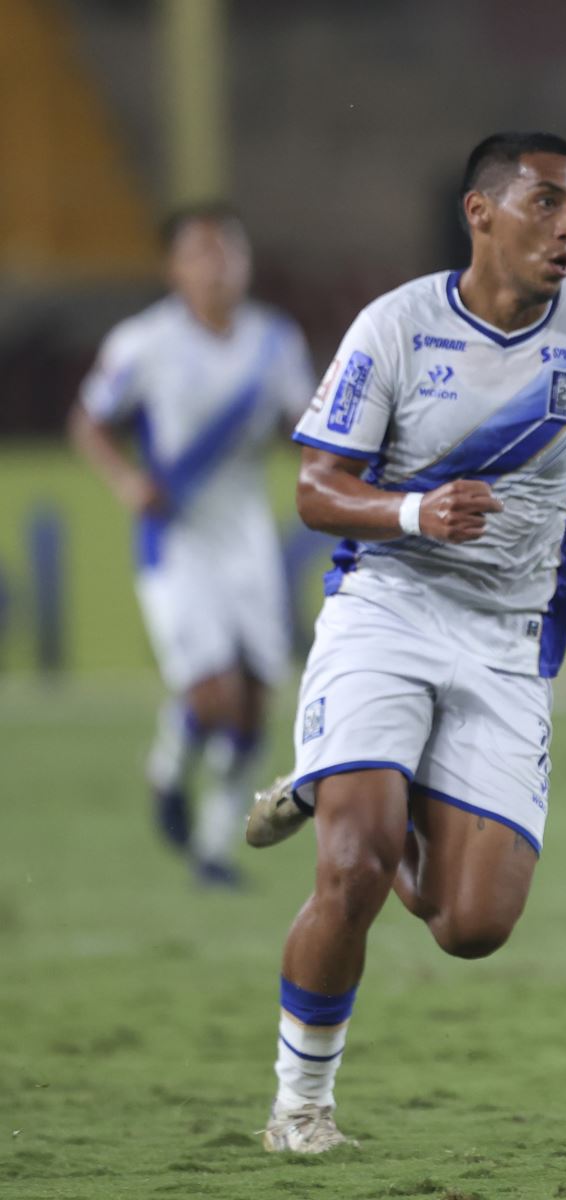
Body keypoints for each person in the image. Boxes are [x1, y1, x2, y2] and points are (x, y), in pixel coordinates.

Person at [242, 132, 566, 1153]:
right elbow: (316, 489)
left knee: (471, 926)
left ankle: (342, 779)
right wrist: (413, 513)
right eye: (545, 202)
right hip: (385, 610)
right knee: (353, 868)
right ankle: (300, 1107)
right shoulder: (394, 327)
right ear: (480, 212)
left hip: (508, 639)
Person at [70, 202, 316, 886]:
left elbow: (304, 428)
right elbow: (89, 421)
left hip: (247, 537)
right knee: (211, 695)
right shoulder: (143, 343)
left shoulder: (275, 341)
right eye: (202, 252)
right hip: (176, 539)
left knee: (256, 698)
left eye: (229, 251)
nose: (219, 266)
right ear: (173, 268)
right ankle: (169, 769)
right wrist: (127, 482)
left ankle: (213, 847)